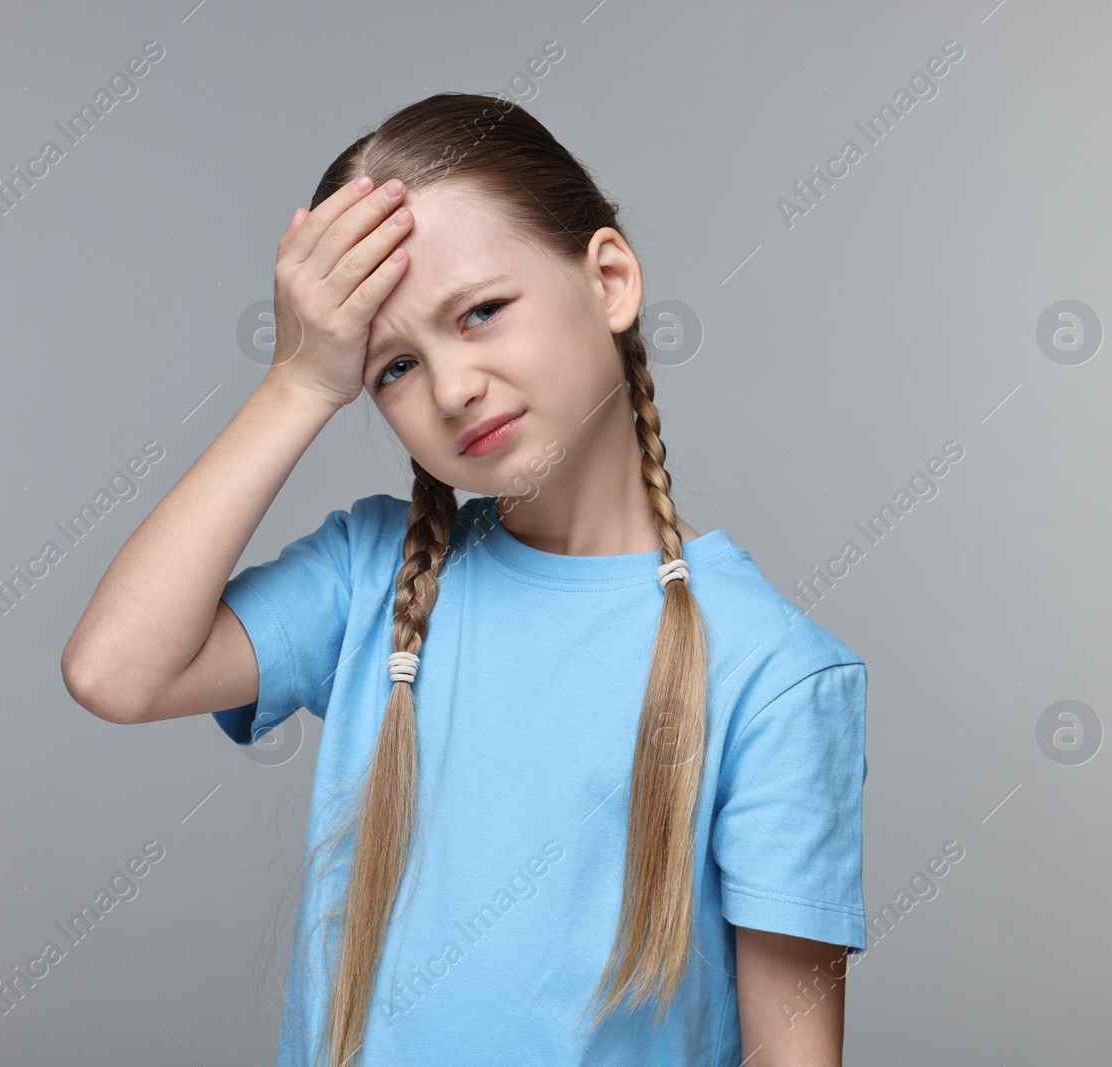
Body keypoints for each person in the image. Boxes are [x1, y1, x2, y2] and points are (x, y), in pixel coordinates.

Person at [62, 91, 868, 1067]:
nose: (451, 387)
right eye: (393, 365)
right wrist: (300, 380)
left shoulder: (772, 672)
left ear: (608, 277)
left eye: (481, 312)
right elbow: (117, 670)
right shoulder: (374, 576)